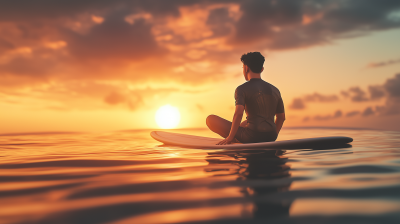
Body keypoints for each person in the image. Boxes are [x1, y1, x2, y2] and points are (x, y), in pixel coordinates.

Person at [206, 52, 285, 145]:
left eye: (243, 68)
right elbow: (281, 117)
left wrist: (230, 137)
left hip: (251, 137)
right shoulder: (275, 90)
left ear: (246, 68)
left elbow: (238, 113)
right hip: (271, 136)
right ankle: (239, 136)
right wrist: (273, 135)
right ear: (262, 69)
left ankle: (235, 139)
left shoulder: (242, 89)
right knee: (246, 122)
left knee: (210, 119)